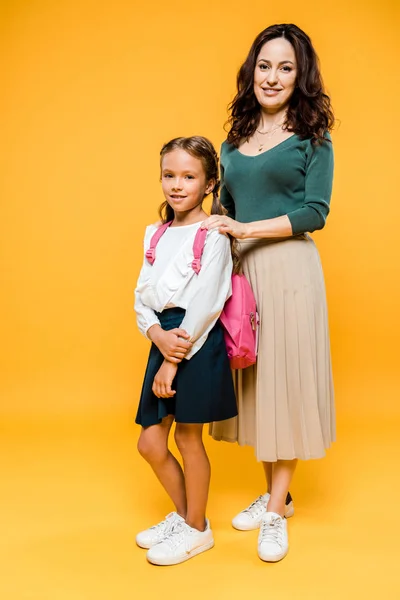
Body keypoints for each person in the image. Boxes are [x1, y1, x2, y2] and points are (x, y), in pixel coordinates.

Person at [205, 23, 336, 563]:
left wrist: (245, 232)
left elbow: (315, 212)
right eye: (265, 65)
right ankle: (275, 498)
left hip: (290, 274)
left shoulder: (314, 140)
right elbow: (226, 212)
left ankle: (277, 507)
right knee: (258, 386)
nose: (273, 76)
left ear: (301, 75)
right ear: (251, 71)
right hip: (243, 278)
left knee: (287, 383)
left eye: (286, 67)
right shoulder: (231, 141)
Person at [134, 136, 237, 566]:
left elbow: (209, 301)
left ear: (209, 183)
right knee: (150, 443)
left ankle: (197, 529)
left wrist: (172, 361)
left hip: (196, 340)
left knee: (187, 437)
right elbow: (142, 296)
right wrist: (155, 333)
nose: (177, 185)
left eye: (189, 176)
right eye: (169, 175)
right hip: (165, 337)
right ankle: (185, 515)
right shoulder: (154, 233)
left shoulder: (212, 234)